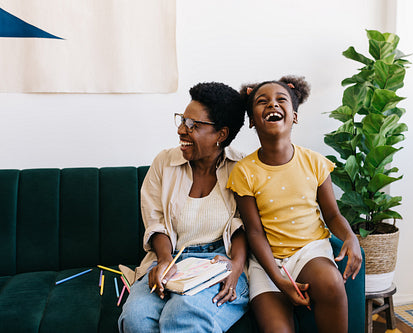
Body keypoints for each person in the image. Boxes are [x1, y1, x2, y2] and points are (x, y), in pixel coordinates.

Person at [227, 76, 362, 333]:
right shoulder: (244, 172)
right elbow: (254, 232)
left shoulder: (315, 162)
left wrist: (350, 237)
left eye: (281, 100)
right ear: (252, 121)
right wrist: (278, 279)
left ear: (295, 116)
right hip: (267, 263)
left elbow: (332, 215)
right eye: (262, 101)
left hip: (309, 251)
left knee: (331, 282)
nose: (272, 105)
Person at [119, 82, 249, 333]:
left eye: (192, 125)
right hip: (173, 257)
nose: (181, 130)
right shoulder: (165, 162)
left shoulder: (242, 167)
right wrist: (165, 259)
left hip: (219, 262)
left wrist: (236, 266)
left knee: (182, 319)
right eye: (182, 120)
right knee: (135, 320)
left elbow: (244, 225)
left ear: (221, 134)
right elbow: (156, 221)